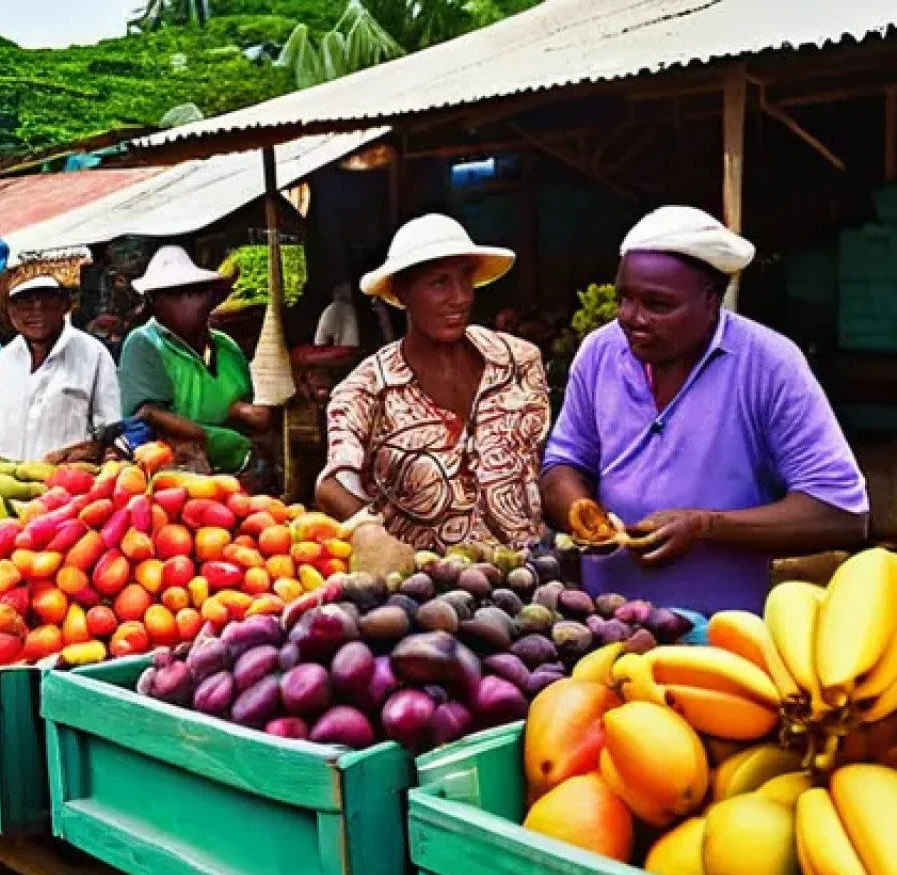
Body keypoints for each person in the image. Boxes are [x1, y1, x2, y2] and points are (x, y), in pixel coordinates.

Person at [542, 205, 868, 616]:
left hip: (722, 643)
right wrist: (578, 509)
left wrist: (706, 526)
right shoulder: (600, 352)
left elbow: (842, 513)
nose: (631, 318)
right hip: (602, 626)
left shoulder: (768, 364)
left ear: (712, 301)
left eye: (658, 304)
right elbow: (562, 464)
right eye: (625, 298)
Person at [315, 214, 551, 554]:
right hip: (429, 594)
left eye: (465, 279)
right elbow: (333, 485)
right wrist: (382, 543)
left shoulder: (518, 361)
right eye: (439, 283)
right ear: (401, 292)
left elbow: (544, 458)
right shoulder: (367, 389)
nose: (459, 298)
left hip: (530, 574)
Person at [119, 246, 270, 474]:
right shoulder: (144, 343)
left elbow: (256, 411)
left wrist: (243, 412)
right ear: (154, 300)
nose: (190, 301)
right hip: (182, 476)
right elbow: (150, 418)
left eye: (196, 291)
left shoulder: (226, 346)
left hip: (245, 471)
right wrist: (223, 425)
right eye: (175, 295)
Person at [0, 272, 122, 462]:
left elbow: (112, 427)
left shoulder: (93, 353)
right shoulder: (6, 357)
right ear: (9, 311)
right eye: (25, 301)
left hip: (69, 481)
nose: (38, 309)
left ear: (64, 305)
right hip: (6, 477)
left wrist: (93, 449)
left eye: (47, 299)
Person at [313, 283, 360, 348]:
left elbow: (320, 340)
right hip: (350, 350)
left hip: (347, 352)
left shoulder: (335, 308)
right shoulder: (337, 308)